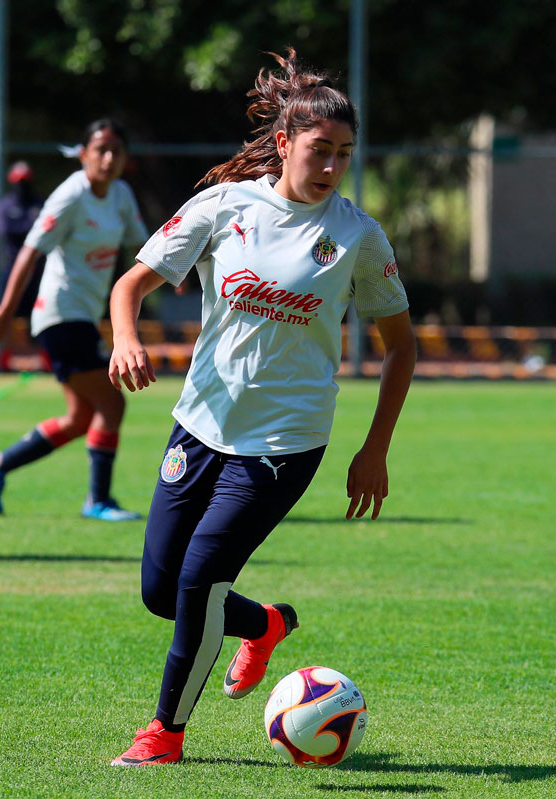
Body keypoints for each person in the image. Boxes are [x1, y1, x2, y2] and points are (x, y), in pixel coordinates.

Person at [105, 49, 416, 766]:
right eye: (319, 149)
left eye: (344, 153)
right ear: (283, 143)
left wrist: (374, 449)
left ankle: (164, 733)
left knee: (198, 583)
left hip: (283, 444)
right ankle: (266, 624)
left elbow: (401, 346)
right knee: (161, 590)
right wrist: (125, 337)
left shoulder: (358, 236)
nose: (332, 166)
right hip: (199, 426)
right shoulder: (224, 207)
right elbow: (130, 286)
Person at [0, 118, 149, 522]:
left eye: (116, 151)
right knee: (112, 402)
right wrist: (6, 309)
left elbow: (141, 245)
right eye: (100, 150)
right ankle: (98, 501)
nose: (108, 158)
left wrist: (172, 272)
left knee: (79, 418)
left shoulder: (121, 194)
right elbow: (30, 250)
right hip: (60, 314)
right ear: (83, 154)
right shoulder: (71, 195)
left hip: (83, 316)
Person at [0, 161, 44, 372]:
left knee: (42, 315)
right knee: (6, 314)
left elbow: (46, 231)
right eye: (18, 181)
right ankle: (2, 360)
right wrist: (30, 230)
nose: (22, 185)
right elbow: (5, 231)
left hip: (38, 271)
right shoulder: (4, 206)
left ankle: (47, 359)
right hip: (12, 270)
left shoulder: (40, 204)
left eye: (25, 181)